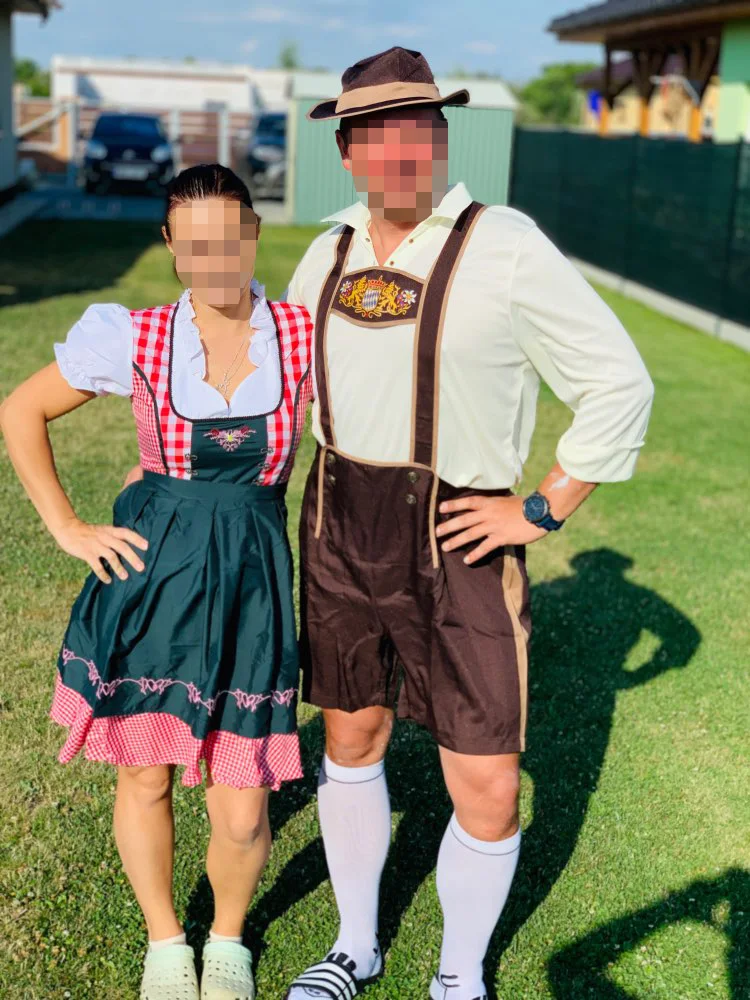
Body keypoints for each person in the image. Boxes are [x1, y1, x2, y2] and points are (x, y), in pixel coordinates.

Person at [282, 47, 655, 1000]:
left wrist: (542, 506)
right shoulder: (325, 252)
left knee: (486, 783)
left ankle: (459, 974)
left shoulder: (506, 244)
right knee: (351, 740)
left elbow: (618, 382)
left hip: (459, 538)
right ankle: (356, 946)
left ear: (440, 140)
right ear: (348, 150)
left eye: (417, 130)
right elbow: (284, 387)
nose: (398, 152)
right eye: (375, 135)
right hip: (337, 525)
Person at [0, 163, 313, 1000]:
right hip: (153, 580)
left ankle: (229, 939)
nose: (215, 259)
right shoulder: (134, 337)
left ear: (253, 235)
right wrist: (67, 527)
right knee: (146, 773)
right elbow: (20, 409)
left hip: (251, 581)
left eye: (230, 238)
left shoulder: (301, 333)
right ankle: (166, 942)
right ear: (172, 246)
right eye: (194, 243)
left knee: (243, 806)